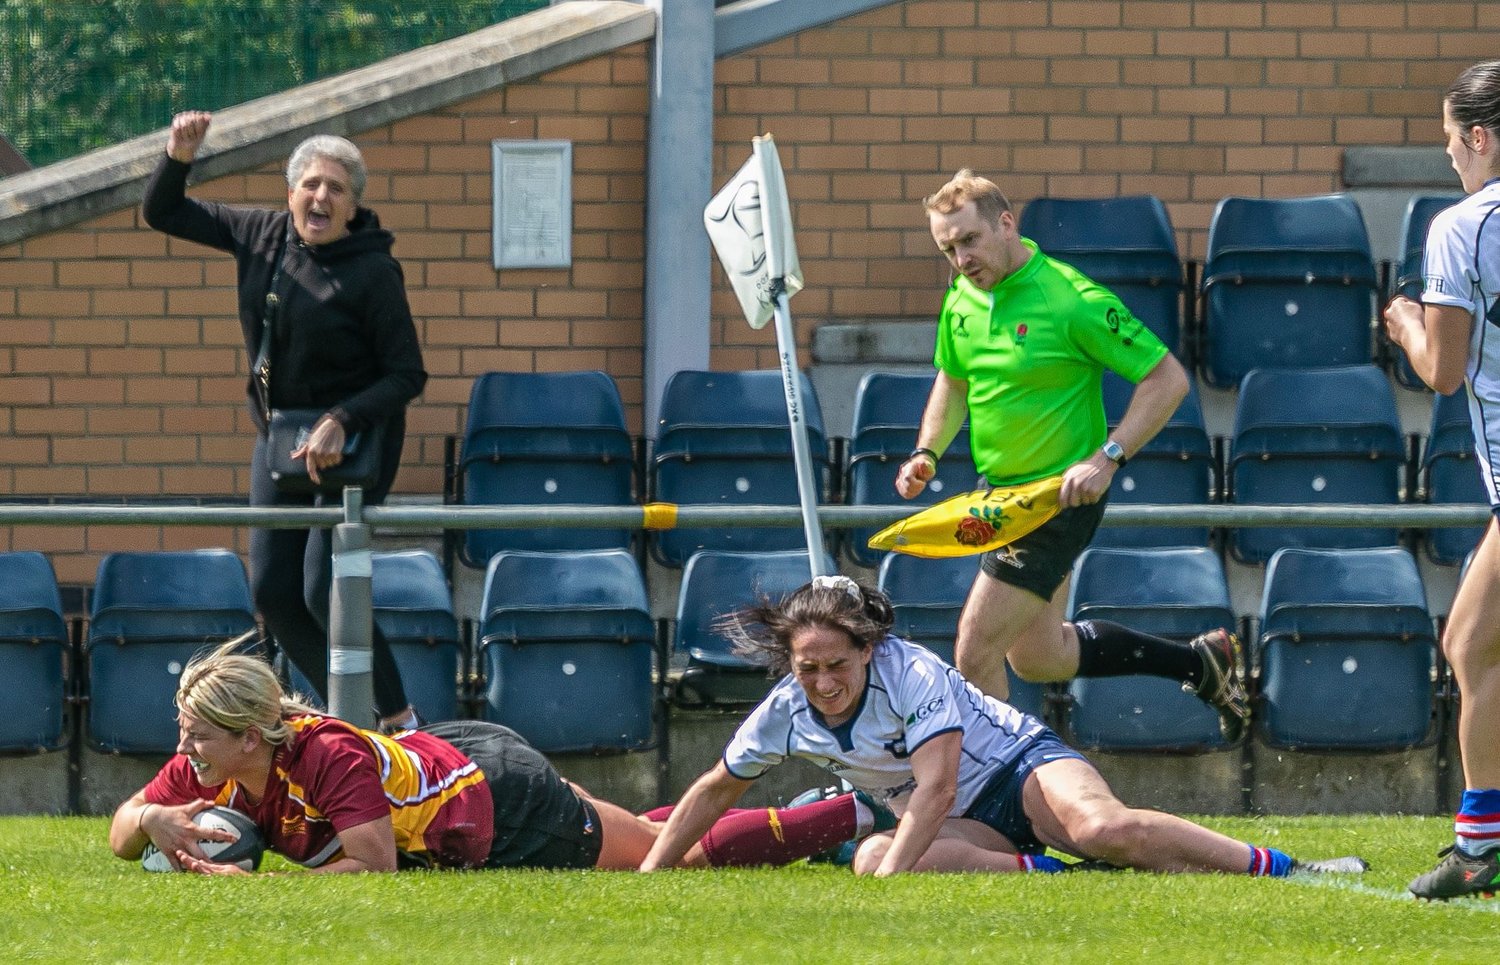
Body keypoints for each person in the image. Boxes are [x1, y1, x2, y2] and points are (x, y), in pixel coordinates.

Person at [641, 576, 1367, 879]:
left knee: (1106, 832)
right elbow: (713, 789)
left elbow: (939, 784)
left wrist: (895, 881)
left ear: (869, 649)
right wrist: (650, 874)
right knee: (867, 858)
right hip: (957, 819)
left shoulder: (911, 671)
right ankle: (1047, 874)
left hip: (1017, 770)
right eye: (808, 668)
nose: (824, 682)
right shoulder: (787, 708)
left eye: (838, 663)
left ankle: (1282, 866)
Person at [892, 170, 1249, 741]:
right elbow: (953, 380)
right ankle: (1198, 663)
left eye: (969, 240)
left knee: (975, 650)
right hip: (1001, 498)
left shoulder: (1071, 299)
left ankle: (1002, 797)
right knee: (1038, 657)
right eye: (948, 248)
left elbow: (1168, 379)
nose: (960, 258)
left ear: (1005, 224)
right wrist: (927, 452)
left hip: (1057, 499)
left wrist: (1108, 456)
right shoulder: (963, 296)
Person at [108, 642, 886, 874]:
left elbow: (373, 868)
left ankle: (853, 812)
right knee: (644, 834)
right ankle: (844, 817)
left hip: (495, 800)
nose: (183, 748)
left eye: (196, 735)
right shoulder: (208, 769)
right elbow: (118, 832)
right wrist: (150, 817)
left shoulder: (322, 754)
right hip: (453, 755)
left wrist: (249, 893)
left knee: (664, 858)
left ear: (252, 735)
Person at [142, 111, 426, 732]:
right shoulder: (261, 236)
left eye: (336, 189)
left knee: (327, 586)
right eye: (311, 185)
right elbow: (163, 214)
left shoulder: (373, 271)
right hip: (283, 442)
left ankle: (399, 717)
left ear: (352, 206)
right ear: (291, 192)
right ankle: (345, 714)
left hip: (356, 443)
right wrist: (178, 156)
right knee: (272, 591)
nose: (321, 197)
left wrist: (342, 419)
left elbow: (408, 375)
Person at [1384, 60, 1500, 901]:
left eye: (1453, 142)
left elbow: (1445, 373)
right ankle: (1480, 841)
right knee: (1475, 641)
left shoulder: (1462, 226)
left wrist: (1405, 324)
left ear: (1482, 138)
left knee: (1469, 643)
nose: (1450, 156)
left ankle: (1480, 846)